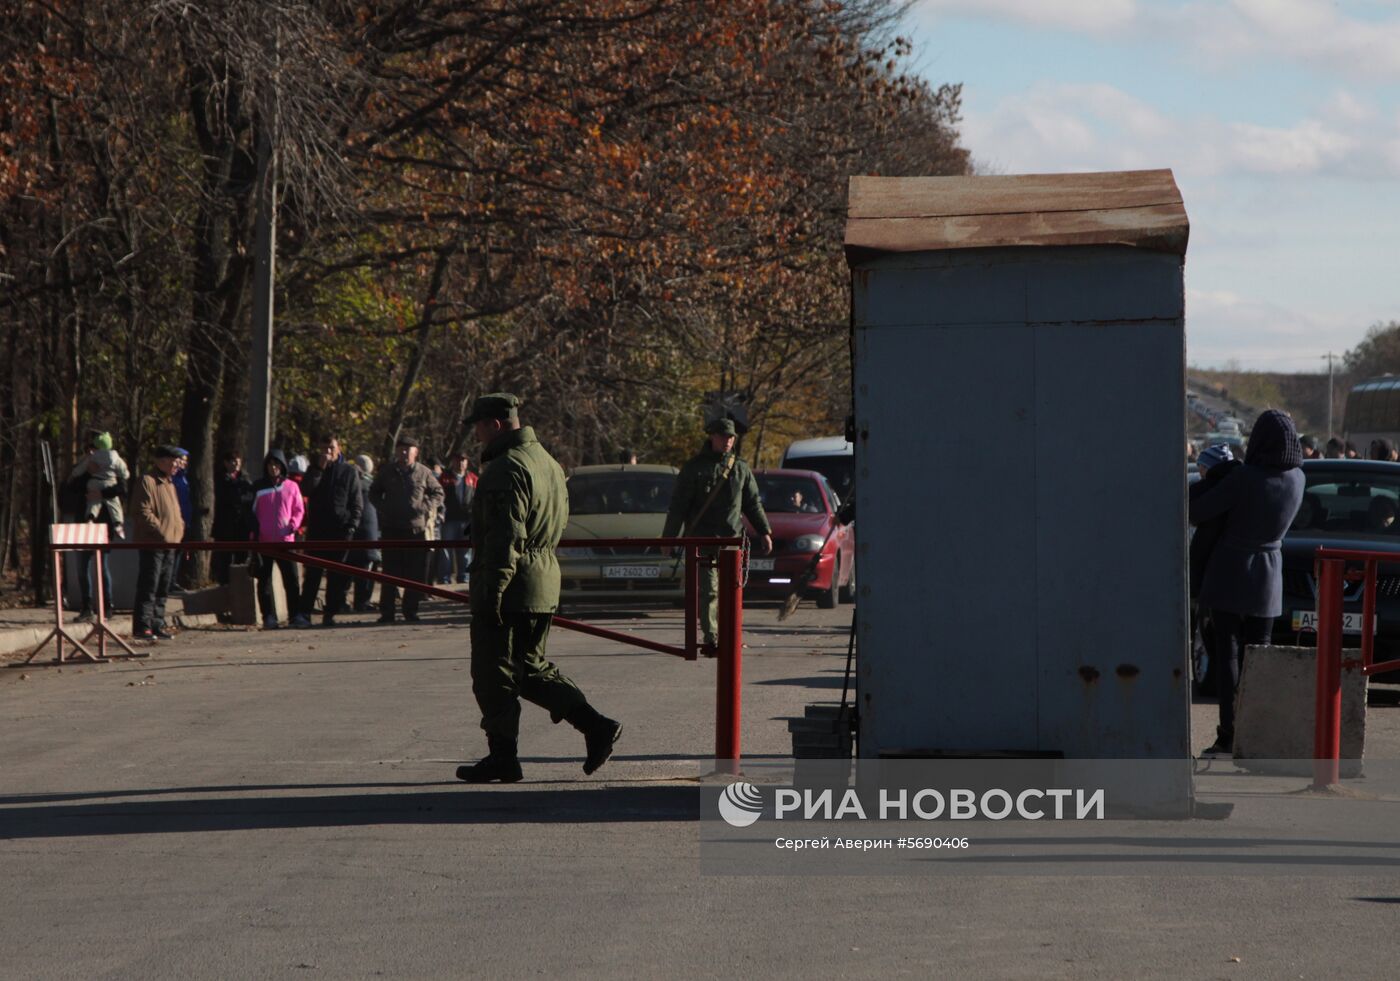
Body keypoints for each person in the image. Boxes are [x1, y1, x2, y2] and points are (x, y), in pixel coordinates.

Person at [456, 393, 622, 783]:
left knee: (492, 672)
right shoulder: (548, 463)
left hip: (511, 584)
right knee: (529, 669)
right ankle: (595, 726)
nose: (476, 435)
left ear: (496, 424)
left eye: (479, 426)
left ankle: (503, 757)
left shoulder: (504, 468)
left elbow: (504, 539)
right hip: (542, 581)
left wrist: (490, 593)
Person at [1189, 410, 1304, 757]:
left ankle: (1228, 734)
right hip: (1270, 575)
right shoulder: (1298, 478)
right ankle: (1259, 737)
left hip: (1229, 571)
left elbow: (1198, 512)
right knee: (1261, 660)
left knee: (1229, 658)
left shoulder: (1246, 478)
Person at [662, 417, 772, 648]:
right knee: (710, 590)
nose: (728, 441)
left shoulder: (740, 468)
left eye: (731, 437)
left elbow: (752, 503)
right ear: (712, 436)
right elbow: (678, 506)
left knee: (732, 591)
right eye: (723, 436)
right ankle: (712, 636)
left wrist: (764, 531)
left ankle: (730, 636)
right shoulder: (694, 468)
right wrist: (669, 538)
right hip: (703, 539)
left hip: (731, 540)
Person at [369, 435, 444, 623]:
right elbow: (374, 492)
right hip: (391, 529)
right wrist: (384, 507)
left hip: (415, 531)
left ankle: (411, 611)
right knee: (389, 573)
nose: (403, 453)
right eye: (401, 449)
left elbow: (438, 493)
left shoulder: (424, 472)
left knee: (414, 574)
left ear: (415, 453)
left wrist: (424, 507)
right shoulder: (387, 471)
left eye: (407, 450)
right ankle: (387, 612)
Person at [1188, 445, 1242, 697]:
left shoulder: (1211, 494)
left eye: (1201, 468)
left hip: (1213, 577)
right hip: (1238, 576)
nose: (1199, 473)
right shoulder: (1237, 487)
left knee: (1214, 638)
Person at [296, 435, 363, 627]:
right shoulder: (314, 469)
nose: (327, 452)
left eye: (331, 448)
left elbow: (356, 502)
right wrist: (318, 469)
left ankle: (330, 612)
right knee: (313, 575)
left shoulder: (349, 471)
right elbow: (306, 490)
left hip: (340, 531)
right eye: (324, 448)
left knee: (336, 576)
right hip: (317, 531)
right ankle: (304, 613)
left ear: (338, 449)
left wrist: (352, 525)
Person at [67, 430, 129, 621]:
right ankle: (87, 606)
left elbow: (122, 488)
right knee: (83, 566)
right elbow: (70, 488)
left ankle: (107, 605)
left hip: (105, 522)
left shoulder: (111, 468)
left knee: (102, 566)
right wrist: (87, 474)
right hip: (85, 523)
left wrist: (101, 495)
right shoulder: (84, 470)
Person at [129, 445, 186, 641]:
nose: (177, 464)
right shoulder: (148, 481)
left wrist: (179, 531)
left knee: (163, 587)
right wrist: (162, 532)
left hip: (171, 544)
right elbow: (143, 512)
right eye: (173, 460)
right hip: (153, 543)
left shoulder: (170, 483)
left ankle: (157, 623)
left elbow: (175, 513)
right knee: (149, 585)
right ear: (160, 461)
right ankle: (142, 626)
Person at [248, 449, 304, 629]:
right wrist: (253, 535)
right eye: (270, 465)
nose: (273, 468)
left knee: (292, 580)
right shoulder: (258, 487)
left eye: (277, 464)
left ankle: (295, 615)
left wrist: (293, 524)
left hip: (285, 541)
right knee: (264, 581)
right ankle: (268, 617)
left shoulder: (292, 486)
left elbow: (299, 509)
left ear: (282, 466)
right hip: (263, 542)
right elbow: (251, 512)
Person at [211, 449, 253, 585]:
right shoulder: (220, 479)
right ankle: (224, 586)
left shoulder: (245, 479)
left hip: (241, 527)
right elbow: (224, 498)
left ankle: (240, 587)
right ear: (226, 463)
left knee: (241, 559)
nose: (235, 464)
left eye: (238, 461)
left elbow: (250, 497)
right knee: (224, 559)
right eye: (232, 462)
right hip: (225, 526)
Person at [348, 454, 382, 613]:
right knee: (366, 570)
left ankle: (351, 601)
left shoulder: (352, 483)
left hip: (356, 532)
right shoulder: (372, 485)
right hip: (369, 532)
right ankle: (362, 602)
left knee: (353, 569)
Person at [437, 452, 476, 584]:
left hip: (467, 520)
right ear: (453, 462)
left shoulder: (473, 478)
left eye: (463, 460)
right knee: (445, 550)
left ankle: (464, 577)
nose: (460, 463)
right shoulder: (445, 478)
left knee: (466, 551)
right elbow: (438, 496)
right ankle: (444, 578)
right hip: (448, 519)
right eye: (458, 460)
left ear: (467, 462)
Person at [169, 448, 193, 591]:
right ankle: (168, 581)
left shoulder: (185, 477)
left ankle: (173, 580)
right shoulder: (172, 478)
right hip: (174, 519)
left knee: (178, 552)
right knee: (171, 551)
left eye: (185, 461)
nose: (183, 464)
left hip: (185, 518)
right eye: (181, 460)